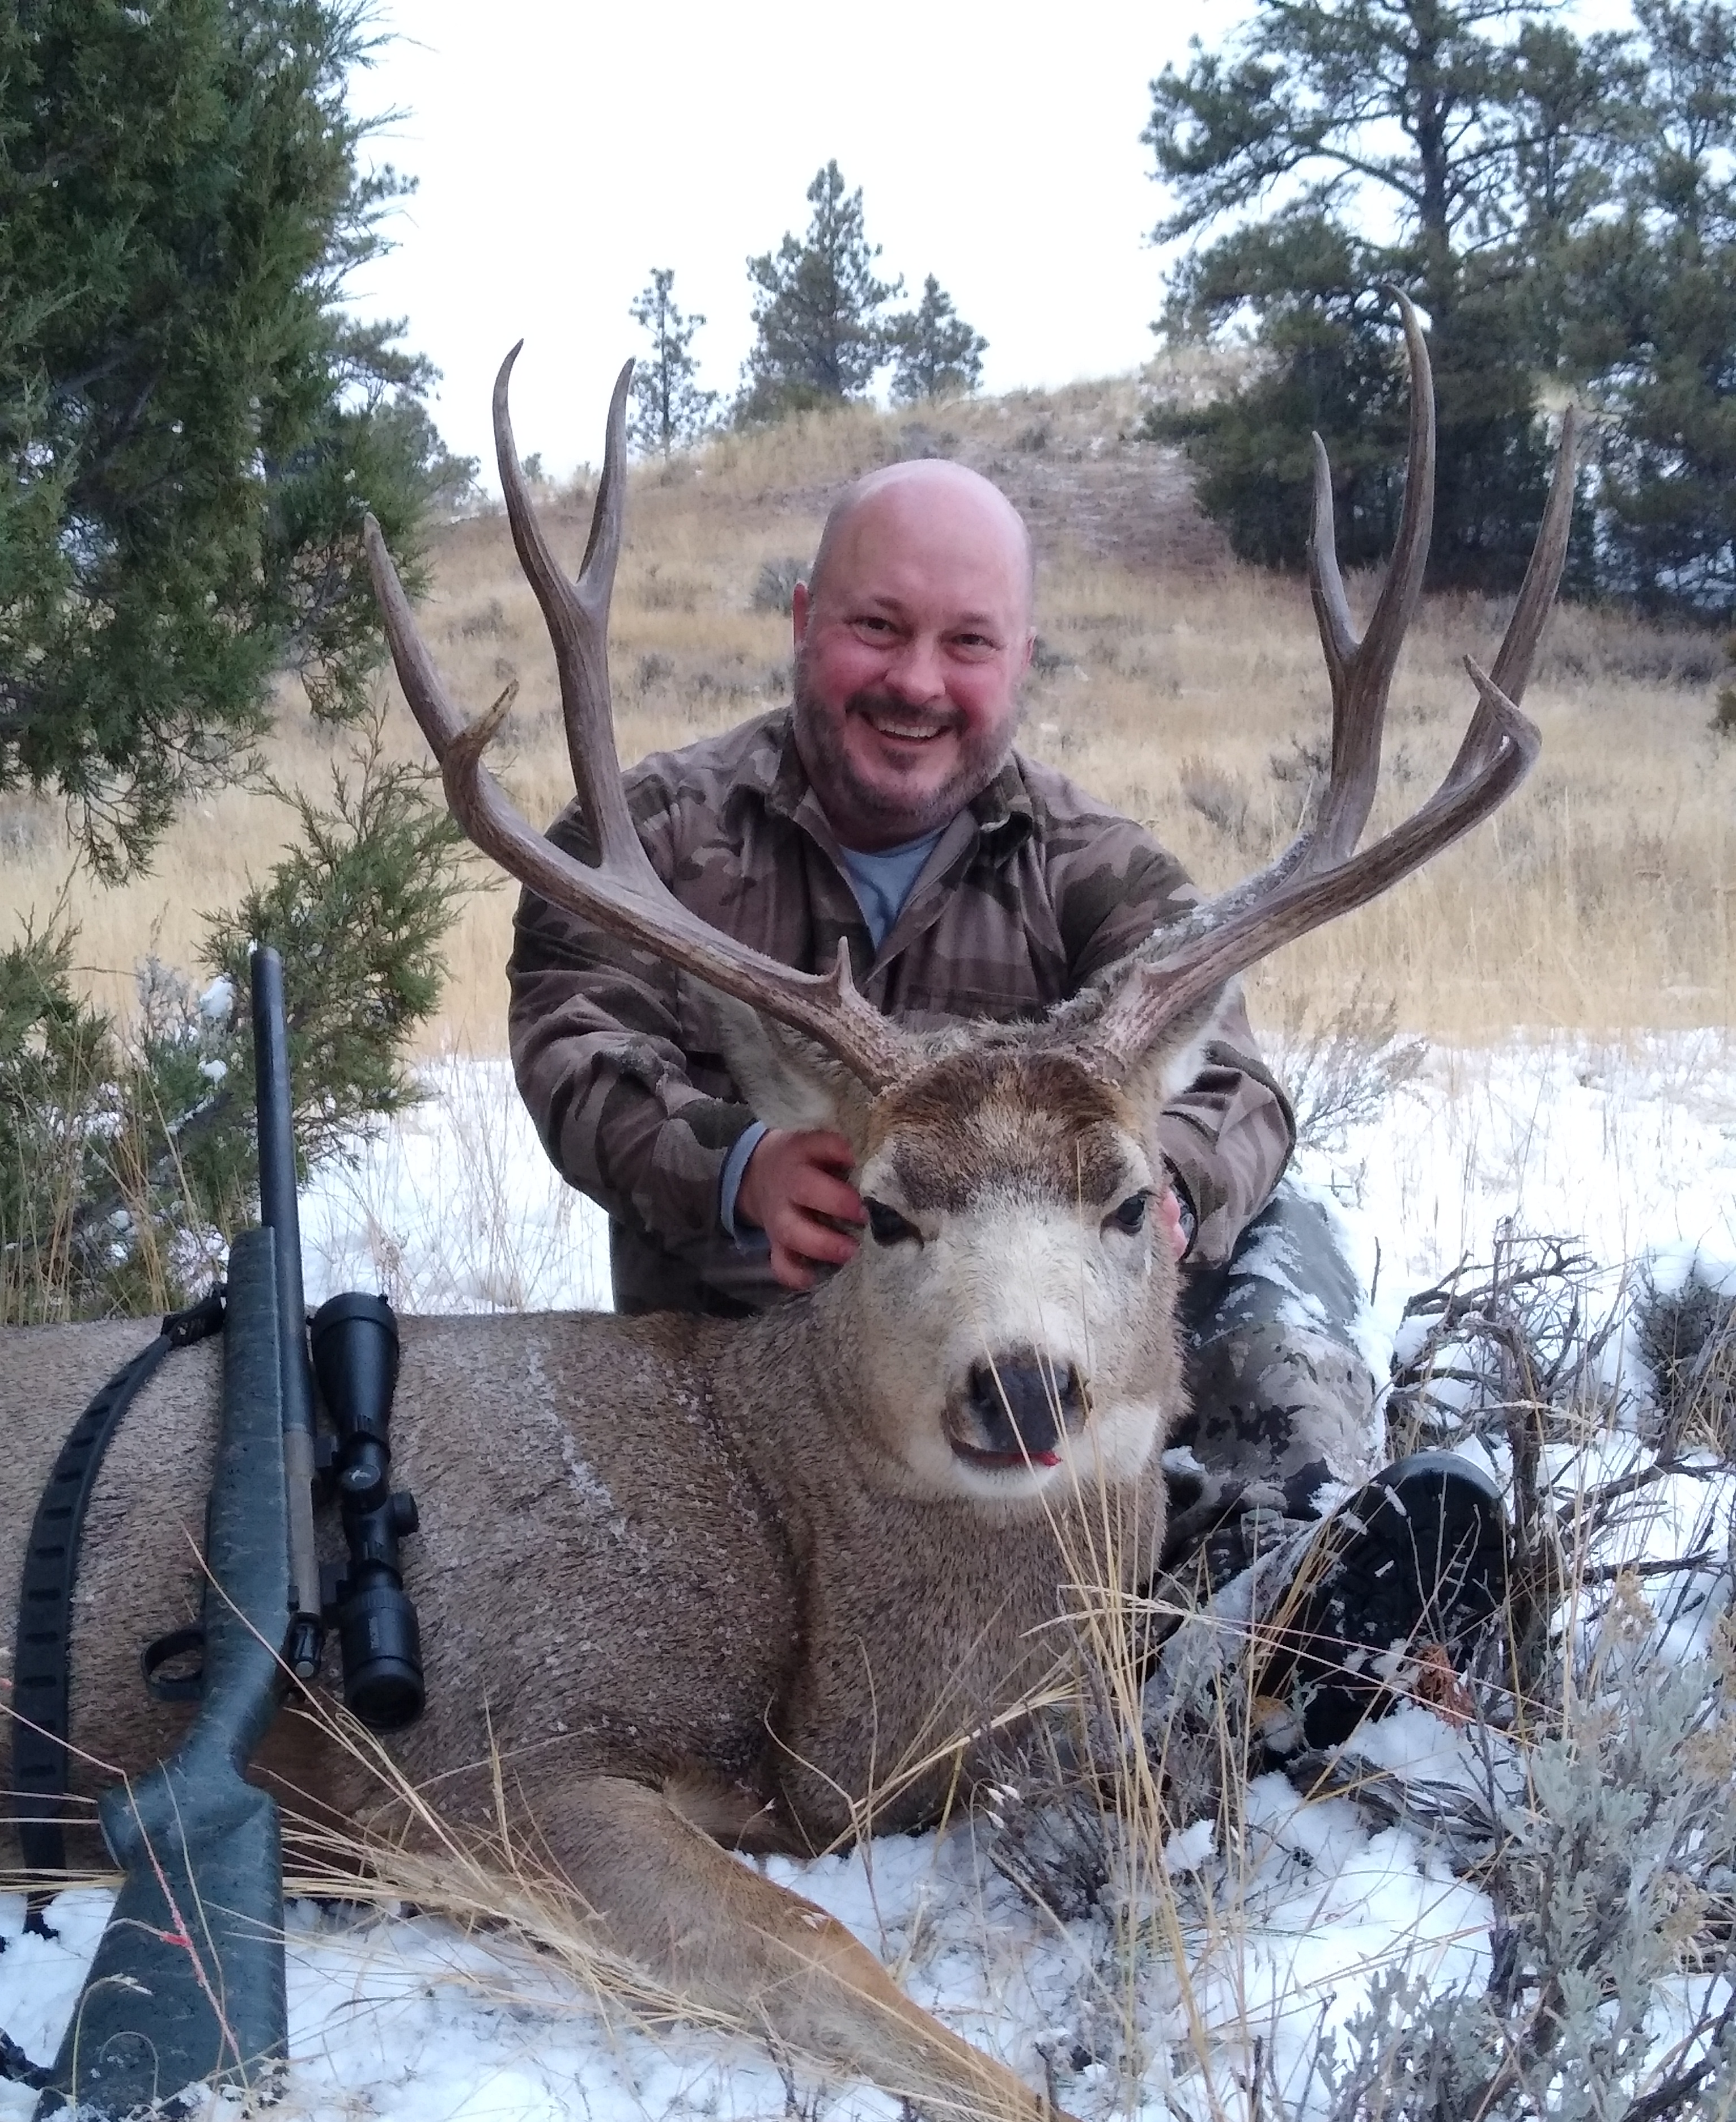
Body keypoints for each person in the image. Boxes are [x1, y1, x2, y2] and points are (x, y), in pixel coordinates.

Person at [507, 458, 1504, 1748]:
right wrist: (736, 1166)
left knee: (1271, 1232)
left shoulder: (1097, 868)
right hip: (766, 1389)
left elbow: (1237, 1086)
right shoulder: (648, 839)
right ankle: (1190, 1627)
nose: (918, 682)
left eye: (968, 642)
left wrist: (1160, 1188)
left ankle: (1295, 1572)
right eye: (878, 626)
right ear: (804, 618)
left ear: (1022, 656)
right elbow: (574, 1036)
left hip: (1054, 1376)